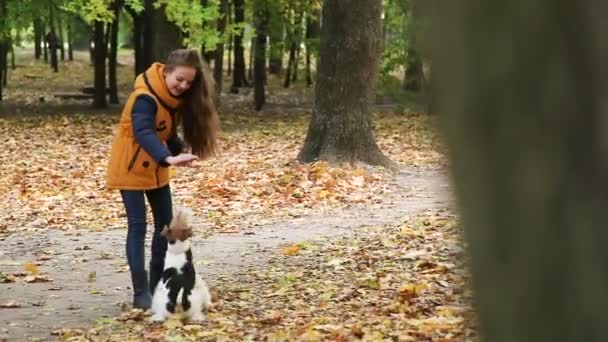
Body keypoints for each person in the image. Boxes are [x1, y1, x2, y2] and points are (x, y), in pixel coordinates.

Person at [106, 49, 219, 309]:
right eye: (179, 79)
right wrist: (167, 158)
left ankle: (158, 284)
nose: (183, 86)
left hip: (157, 170)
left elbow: (165, 133)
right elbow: (144, 131)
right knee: (138, 227)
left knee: (164, 228)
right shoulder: (144, 97)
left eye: (189, 82)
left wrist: (180, 152)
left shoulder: (172, 100)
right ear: (166, 71)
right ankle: (140, 293)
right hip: (130, 168)